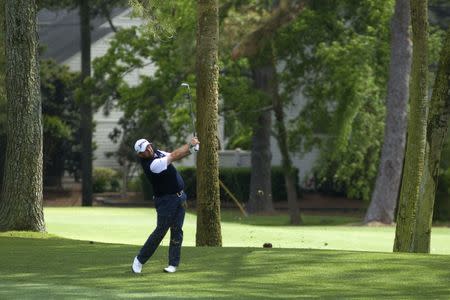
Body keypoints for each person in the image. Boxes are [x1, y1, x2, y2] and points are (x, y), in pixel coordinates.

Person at [131, 136, 199, 274]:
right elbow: (173, 156)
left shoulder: (157, 152)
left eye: (149, 145)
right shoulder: (151, 165)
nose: (149, 148)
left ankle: (173, 264)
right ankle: (139, 260)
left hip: (180, 198)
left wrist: (192, 150)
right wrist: (189, 144)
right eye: (145, 149)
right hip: (165, 201)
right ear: (140, 154)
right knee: (160, 232)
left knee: (177, 231)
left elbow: (176, 155)